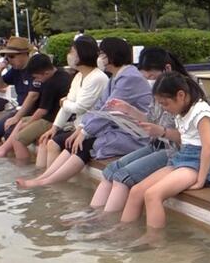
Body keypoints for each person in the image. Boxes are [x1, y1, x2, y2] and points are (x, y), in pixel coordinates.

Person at [16, 37, 152, 188]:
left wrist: (85, 132)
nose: (99, 58)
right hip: (118, 130)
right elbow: (100, 107)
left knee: (83, 145)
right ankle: (45, 178)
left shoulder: (129, 78)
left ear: (112, 56)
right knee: (75, 142)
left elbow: (108, 110)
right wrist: (81, 129)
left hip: (135, 136)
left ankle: (46, 182)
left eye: (102, 54)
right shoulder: (116, 77)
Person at [76, 48, 184, 219]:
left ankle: (105, 221)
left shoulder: (182, 94)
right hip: (156, 145)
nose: (149, 81)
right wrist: (128, 110)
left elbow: (188, 135)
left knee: (122, 177)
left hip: (173, 150)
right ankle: (92, 215)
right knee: (111, 170)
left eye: (151, 77)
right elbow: (151, 119)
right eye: (146, 77)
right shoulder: (160, 89)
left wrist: (161, 131)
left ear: (167, 69)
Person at [115, 72, 210, 233]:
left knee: (153, 195)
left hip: (198, 164)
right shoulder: (183, 111)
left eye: (165, 104)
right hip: (183, 158)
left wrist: (201, 180)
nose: (164, 109)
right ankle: (123, 232)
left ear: (180, 95)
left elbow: (207, 148)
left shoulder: (201, 112)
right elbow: (185, 138)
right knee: (137, 190)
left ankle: (154, 243)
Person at [34, 36, 107, 169]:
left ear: (82, 55)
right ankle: (40, 178)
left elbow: (79, 107)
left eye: (72, 52)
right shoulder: (79, 76)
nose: (69, 55)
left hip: (90, 130)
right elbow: (69, 104)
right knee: (45, 140)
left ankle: (52, 185)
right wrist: (54, 128)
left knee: (53, 143)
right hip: (76, 126)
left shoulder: (97, 78)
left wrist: (64, 103)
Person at [0, 54, 72, 161]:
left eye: (37, 77)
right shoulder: (62, 74)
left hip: (52, 119)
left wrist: (28, 124)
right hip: (54, 116)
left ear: (46, 73)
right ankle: (3, 150)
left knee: (18, 140)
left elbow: (42, 111)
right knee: (21, 121)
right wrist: (25, 122)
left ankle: (23, 166)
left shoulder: (50, 84)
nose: (36, 80)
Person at [0, 37, 41, 150]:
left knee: (9, 134)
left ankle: (21, 164)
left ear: (25, 54)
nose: (9, 60)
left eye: (12, 56)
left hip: (34, 111)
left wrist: (17, 117)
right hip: (20, 110)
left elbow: (33, 96)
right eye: (6, 57)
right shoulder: (15, 70)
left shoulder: (35, 69)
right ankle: (2, 164)